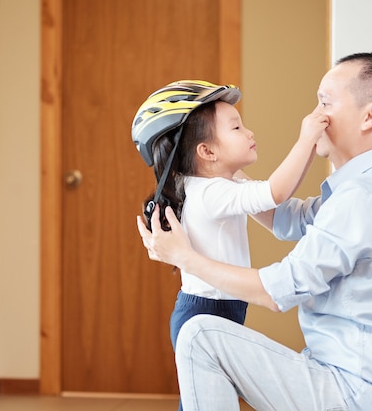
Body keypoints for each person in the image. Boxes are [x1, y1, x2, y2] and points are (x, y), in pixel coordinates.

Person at [137, 52, 372, 411]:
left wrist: (183, 257)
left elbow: (278, 291)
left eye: (325, 102)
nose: (312, 117)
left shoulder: (363, 199)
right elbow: (291, 220)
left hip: (358, 393)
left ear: (371, 115)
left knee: (198, 334)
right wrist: (222, 171)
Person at [131, 80, 327, 410]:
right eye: (236, 127)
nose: (249, 133)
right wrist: (307, 138)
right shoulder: (212, 193)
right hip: (205, 310)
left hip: (214, 309)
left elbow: (276, 205)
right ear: (207, 152)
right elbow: (277, 191)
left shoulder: (220, 182)